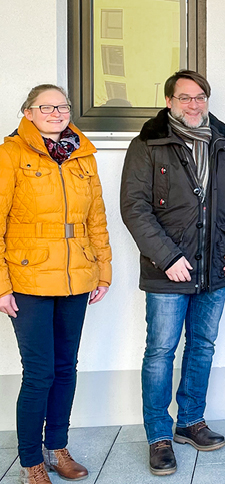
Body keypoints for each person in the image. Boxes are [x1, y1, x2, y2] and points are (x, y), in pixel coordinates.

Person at [120, 70, 225, 475]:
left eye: (200, 97)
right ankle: (159, 435)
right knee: (161, 352)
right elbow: (135, 208)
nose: (193, 105)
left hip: (216, 268)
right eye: (184, 98)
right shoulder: (147, 144)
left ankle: (190, 422)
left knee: (202, 346)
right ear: (169, 102)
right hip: (168, 272)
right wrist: (167, 257)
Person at [0, 84, 111, 484]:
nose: (55, 112)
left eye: (61, 106)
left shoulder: (83, 153)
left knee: (66, 368)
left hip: (76, 275)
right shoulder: (11, 153)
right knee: (39, 372)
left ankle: (57, 447)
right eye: (45, 106)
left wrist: (103, 270)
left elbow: (95, 218)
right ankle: (31, 458)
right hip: (28, 276)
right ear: (28, 112)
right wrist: (1, 284)